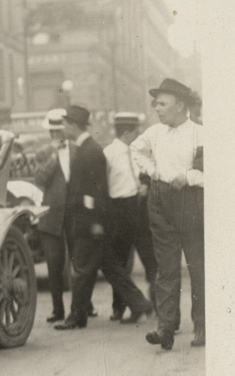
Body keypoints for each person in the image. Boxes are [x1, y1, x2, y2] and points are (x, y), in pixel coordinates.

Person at [55, 105, 153, 331]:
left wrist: (95, 222)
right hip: (92, 222)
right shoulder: (88, 149)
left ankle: (76, 317)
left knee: (82, 270)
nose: (63, 128)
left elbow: (96, 192)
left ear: (73, 125)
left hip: (90, 223)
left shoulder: (90, 152)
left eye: (65, 124)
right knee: (110, 268)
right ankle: (139, 304)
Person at [131, 78, 204, 350]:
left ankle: (203, 326)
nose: (157, 109)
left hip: (190, 201)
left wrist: (188, 176)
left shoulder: (199, 133)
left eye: (163, 103)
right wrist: (153, 172)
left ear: (180, 105)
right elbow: (136, 150)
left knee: (197, 266)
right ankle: (166, 327)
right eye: (156, 104)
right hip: (160, 201)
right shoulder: (154, 133)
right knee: (166, 268)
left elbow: (213, 168)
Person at [103, 112, 150, 322]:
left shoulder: (137, 151)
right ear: (126, 132)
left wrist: (145, 185)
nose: (138, 134)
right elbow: (103, 184)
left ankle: (151, 304)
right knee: (120, 260)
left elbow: (147, 171)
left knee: (148, 256)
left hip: (139, 207)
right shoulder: (109, 154)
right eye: (135, 131)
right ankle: (119, 307)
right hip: (119, 209)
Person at [33, 108, 72, 323]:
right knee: (54, 265)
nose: (57, 136)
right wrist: (53, 156)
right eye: (53, 132)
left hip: (73, 215)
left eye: (60, 132)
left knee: (79, 263)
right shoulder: (42, 153)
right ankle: (58, 310)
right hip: (51, 217)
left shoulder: (76, 150)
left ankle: (84, 306)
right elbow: (39, 179)